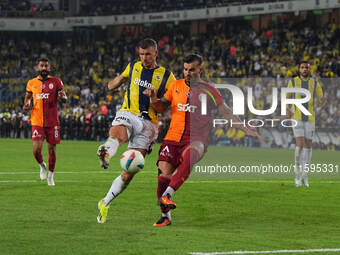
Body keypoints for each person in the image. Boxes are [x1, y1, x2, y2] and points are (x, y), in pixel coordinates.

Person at [144, 53, 261, 226]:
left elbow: (226, 113)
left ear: (201, 70)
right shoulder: (175, 86)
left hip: (196, 137)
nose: (187, 73)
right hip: (172, 138)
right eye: (185, 69)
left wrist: (244, 128)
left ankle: (168, 194)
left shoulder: (210, 91)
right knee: (163, 178)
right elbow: (160, 107)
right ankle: (165, 217)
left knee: (191, 155)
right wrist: (153, 98)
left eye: (191, 70)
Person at [96, 38, 176, 223]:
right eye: (141, 54)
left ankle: (105, 203)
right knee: (119, 134)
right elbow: (121, 78)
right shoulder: (133, 66)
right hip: (129, 113)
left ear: (156, 53)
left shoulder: (166, 76)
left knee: (128, 172)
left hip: (149, 124)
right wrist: (112, 84)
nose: (144, 58)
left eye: (147, 54)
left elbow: (164, 107)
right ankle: (106, 152)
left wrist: (154, 98)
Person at [23, 58, 67, 186]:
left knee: (52, 150)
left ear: (49, 67)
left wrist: (62, 98)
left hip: (52, 122)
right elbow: (27, 97)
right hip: (37, 121)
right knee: (36, 150)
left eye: (46, 66)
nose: (43, 68)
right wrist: (26, 103)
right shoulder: (31, 83)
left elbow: (64, 97)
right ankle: (42, 165)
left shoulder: (56, 81)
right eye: (41, 66)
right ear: (38, 67)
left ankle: (51, 176)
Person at [287, 61, 324, 187]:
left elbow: (321, 98)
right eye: (302, 67)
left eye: (306, 68)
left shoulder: (314, 82)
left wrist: (318, 104)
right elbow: (286, 96)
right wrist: (287, 109)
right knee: (300, 144)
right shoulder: (293, 81)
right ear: (299, 69)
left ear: (309, 70)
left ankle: (305, 176)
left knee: (308, 145)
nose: (304, 69)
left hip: (310, 118)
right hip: (296, 117)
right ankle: (297, 176)